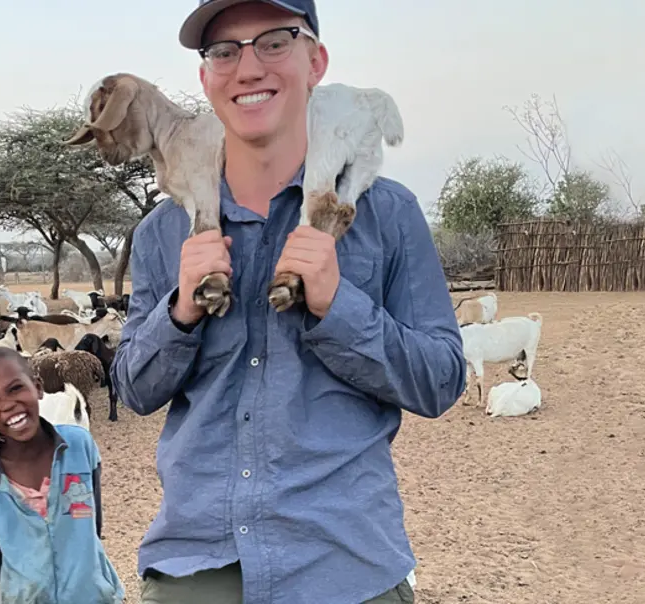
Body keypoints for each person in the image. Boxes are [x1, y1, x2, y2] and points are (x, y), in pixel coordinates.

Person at [110, 1, 468, 603]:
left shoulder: (389, 215)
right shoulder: (162, 235)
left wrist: (337, 305)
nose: (247, 67)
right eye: (224, 51)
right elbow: (133, 389)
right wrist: (180, 311)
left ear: (316, 61)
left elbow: (441, 379)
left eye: (274, 41)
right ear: (206, 77)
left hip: (345, 563)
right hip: (198, 570)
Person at [0, 347, 125, 604]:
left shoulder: (79, 445)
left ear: (38, 388)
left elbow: (93, 526)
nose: (8, 405)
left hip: (93, 597)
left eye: (15, 388)